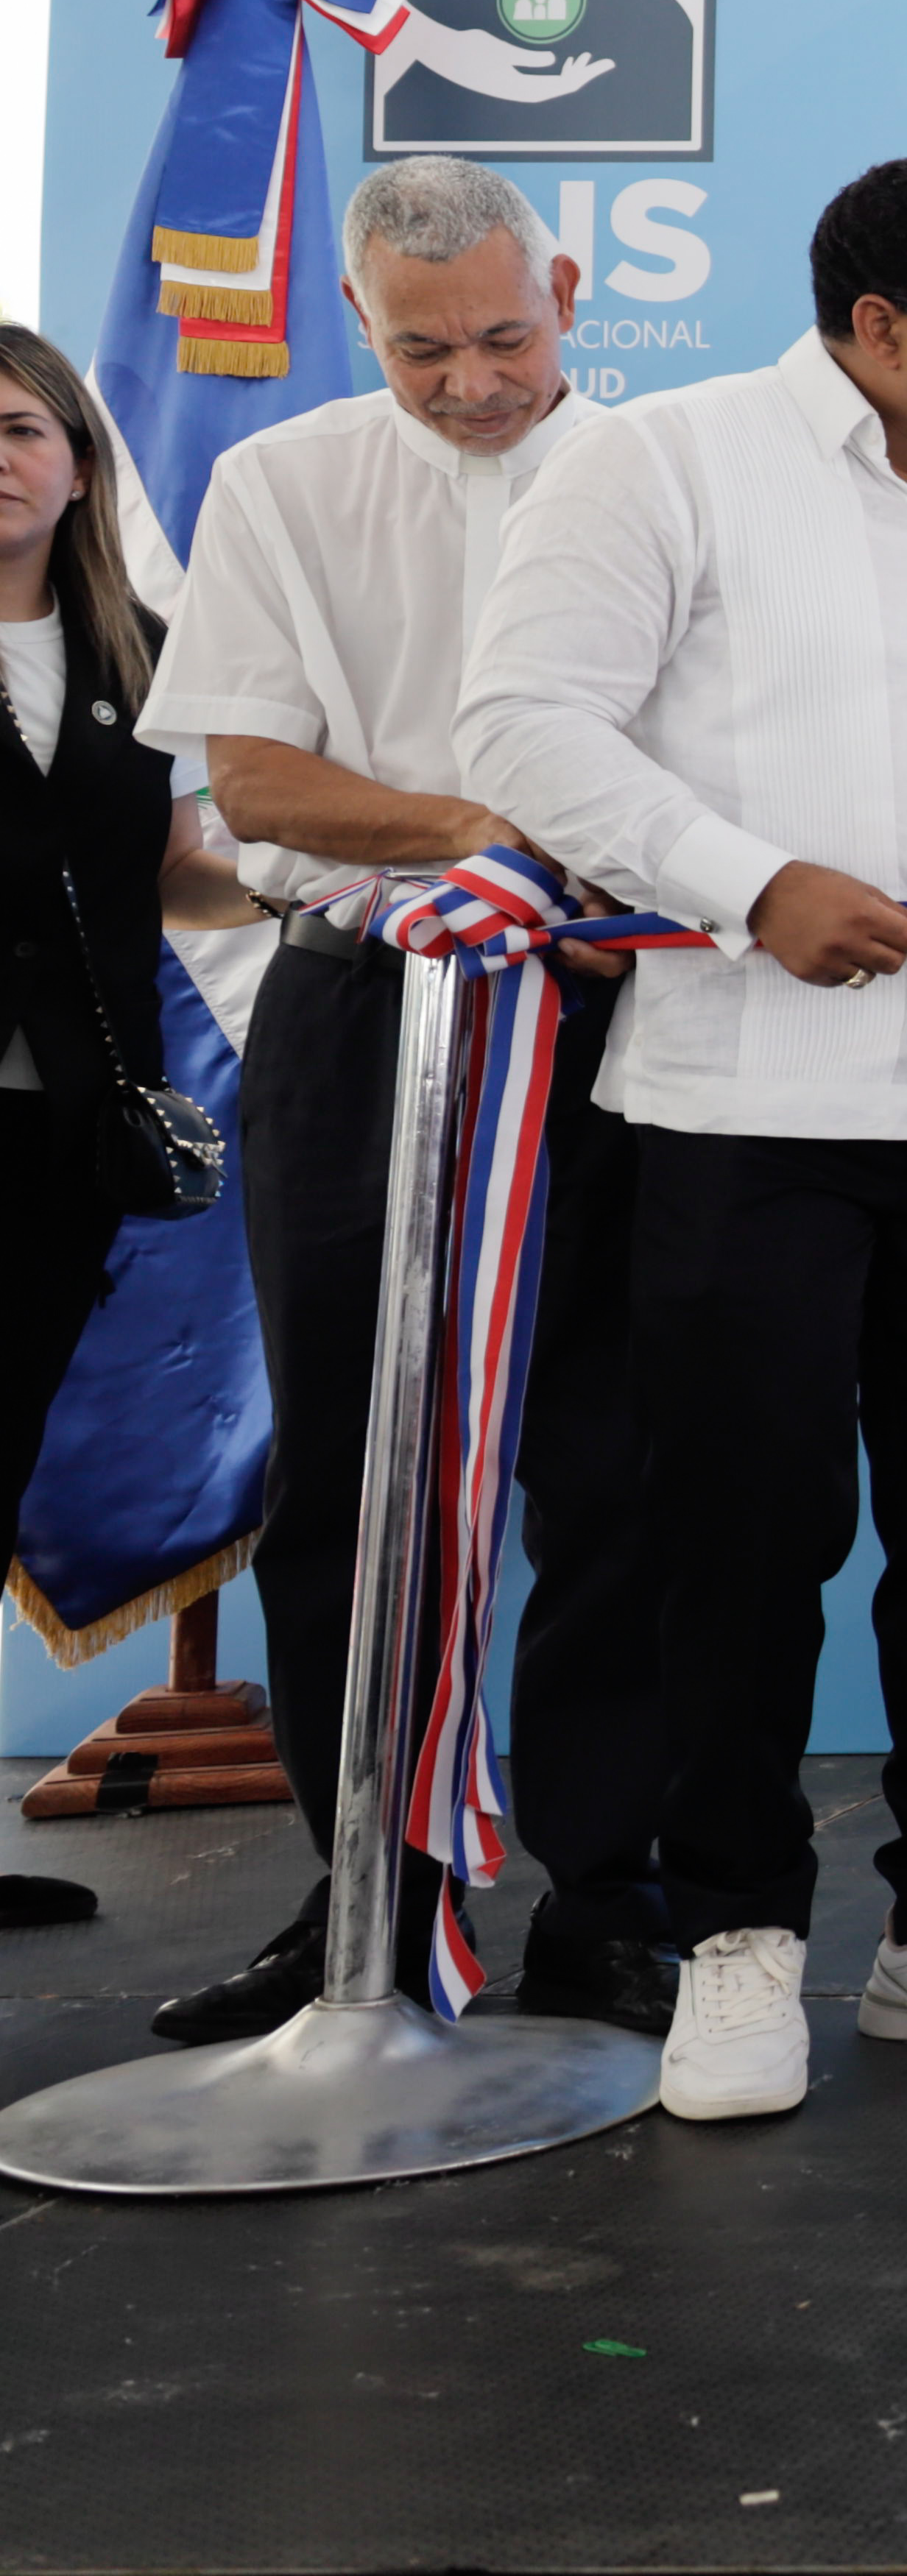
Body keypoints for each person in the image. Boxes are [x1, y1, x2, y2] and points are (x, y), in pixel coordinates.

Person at [460, 157, 907, 2125]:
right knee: (738, 1545)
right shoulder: (665, 464)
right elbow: (521, 724)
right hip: (742, 1112)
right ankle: (736, 1935)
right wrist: (747, 880)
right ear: (877, 326)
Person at [135, 161, 668, 2045]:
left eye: (505, 336)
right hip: (369, 1010)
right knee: (353, 1471)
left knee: (622, 1465)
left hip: (629, 1015)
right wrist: (489, 833)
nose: (470, 382)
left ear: (571, 291)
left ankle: (615, 1896)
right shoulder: (280, 482)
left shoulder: (676, 471)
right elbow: (259, 785)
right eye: (420, 348)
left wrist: (570, 865)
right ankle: (369, 1882)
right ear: (358, 320)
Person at [0, 321, 260, 1940]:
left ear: (81, 465)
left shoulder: (142, 648)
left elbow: (174, 876)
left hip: (66, 1140)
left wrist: (314, 891)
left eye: (20, 428)